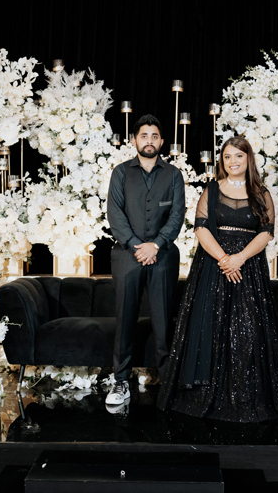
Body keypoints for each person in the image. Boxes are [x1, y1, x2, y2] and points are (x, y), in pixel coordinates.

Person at [157, 135, 278, 422]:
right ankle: (204, 393)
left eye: (238, 156)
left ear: (248, 159)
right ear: (222, 162)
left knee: (249, 332)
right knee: (209, 327)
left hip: (249, 270)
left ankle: (247, 394)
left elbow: (266, 232)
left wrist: (240, 258)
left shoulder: (262, 193)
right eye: (227, 157)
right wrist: (225, 259)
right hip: (213, 268)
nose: (232, 161)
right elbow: (201, 229)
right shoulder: (211, 190)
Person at [106, 114, 186, 406]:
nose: (149, 140)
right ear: (134, 140)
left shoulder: (174, 175)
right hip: (127, 255)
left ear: (161, 142)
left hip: (163, 256)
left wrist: (157, 245)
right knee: (125, 320)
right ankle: (120, 382)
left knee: (163, 322)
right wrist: (138, 245)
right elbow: (115, 214)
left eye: (154, 136)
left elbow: (177, 215)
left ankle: (167, 382)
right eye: (144, 136)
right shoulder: (121, 172)